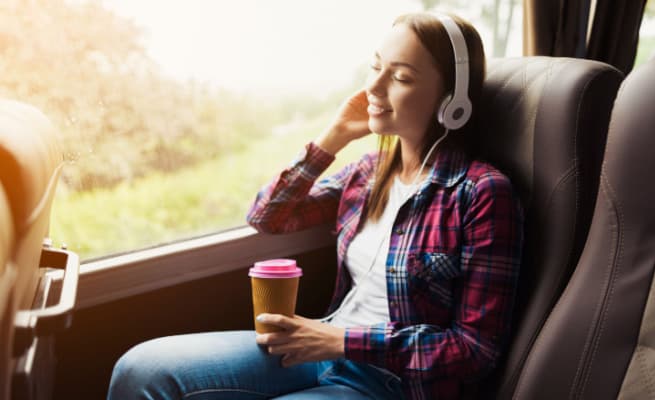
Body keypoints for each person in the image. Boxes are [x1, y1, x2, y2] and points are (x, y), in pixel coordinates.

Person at [107, 11, 523, 400]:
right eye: (376, 67)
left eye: (400, 77)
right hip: (323, 345)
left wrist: (342, 342)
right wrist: (334, 137)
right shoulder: (368, 173)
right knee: (140, 370)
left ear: (452, 103)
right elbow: (268, 216)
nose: (373, 88)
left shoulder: (481, 193)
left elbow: (475, 350)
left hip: (390, 382)